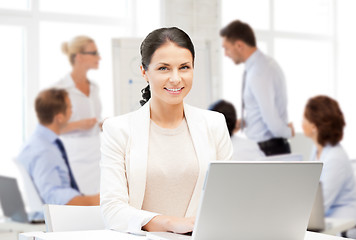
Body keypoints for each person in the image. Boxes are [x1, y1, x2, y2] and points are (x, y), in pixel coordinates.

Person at [100, 27, 233, 234]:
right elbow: (112, 210)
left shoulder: (214, 124)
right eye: (163, 68)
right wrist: (172, 224)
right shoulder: (118, 130)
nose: (175, 78)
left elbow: (229, 197)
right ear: (144, 72)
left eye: (184, 67)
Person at [220, 20, 295, 156]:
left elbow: (270, 117)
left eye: (226, 48)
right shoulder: (261, 66)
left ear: (239, 45)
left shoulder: (259, 72)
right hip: (269, 147)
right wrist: (244, 122)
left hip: (269, 149)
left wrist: (288, 132)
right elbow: (263, 109)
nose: (225, 54)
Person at [17, 88, 99, 210]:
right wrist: (94, 201)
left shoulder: (36, 143)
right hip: (60, 217)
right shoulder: (45, 150)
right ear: (60, 117)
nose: (72, 112)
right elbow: (53, 196)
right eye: (70, 108)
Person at [54, 35, 102, 194]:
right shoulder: (61, 89)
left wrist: (101, 124)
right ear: (79, 57)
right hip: (74, 160)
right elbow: (51, 128)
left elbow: (93, 119)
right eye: (94, 53)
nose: (99, 57)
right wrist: (79, 125)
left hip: (96, 158)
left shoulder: (94, 87)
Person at [302, 95, 356, 221]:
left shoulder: (335, 158)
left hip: (341, 224)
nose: (302, 123)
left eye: (305, 118)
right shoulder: (317, 150)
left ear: (314, 126)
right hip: (323, 218)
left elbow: (322, 205)